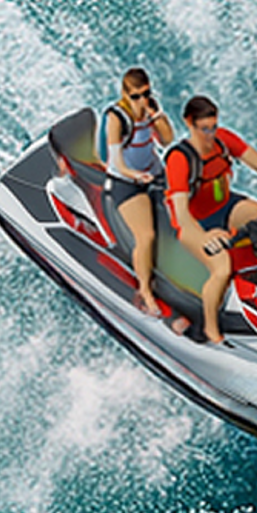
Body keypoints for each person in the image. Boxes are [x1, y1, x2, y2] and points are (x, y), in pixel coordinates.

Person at [162, 94, 257, 348]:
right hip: (194, 224)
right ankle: (211, 331)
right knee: (221, 268)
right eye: (203, 129)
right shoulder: (179, 159)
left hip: (227, 207)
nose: (210, 135)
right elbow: (181, 213)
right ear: (189, 124)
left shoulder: (223, 140)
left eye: (213, 127)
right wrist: (204, 238)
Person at [96, 68, 179, 325]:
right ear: (124, 94)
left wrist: (157, 115)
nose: (141, 100)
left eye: (145, 94)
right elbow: (117, 163)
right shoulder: (116, 118)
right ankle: (145, 290)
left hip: (154, 176)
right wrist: (136, 176)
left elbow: (167, 141)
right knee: (147, 235)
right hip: (126, 183)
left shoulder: (150, 110)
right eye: (135, 96)